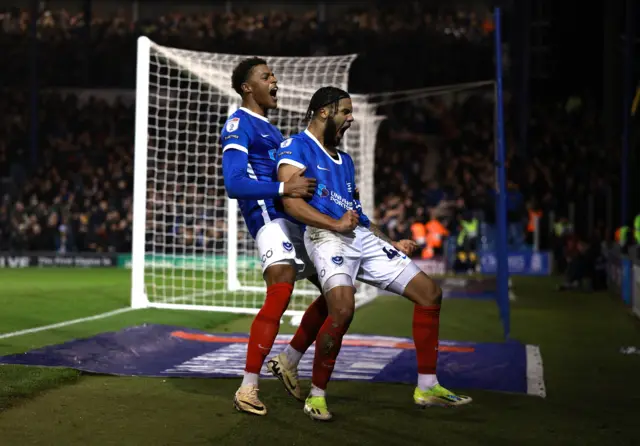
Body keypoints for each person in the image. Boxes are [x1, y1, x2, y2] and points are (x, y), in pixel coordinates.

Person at [272, 86, 472, 421]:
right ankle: (317, 395)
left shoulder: (345, 161)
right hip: (325, 236)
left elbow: (358, 215)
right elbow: (291, 203)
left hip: (358, 235)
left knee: (429, 293)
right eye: (345, 112)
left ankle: (427, 385)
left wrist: (390, 242)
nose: (351, 119)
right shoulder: (296, 147)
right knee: (342, 309)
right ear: (323, 111)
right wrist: (334, 224)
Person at [221, 57, 359, 416]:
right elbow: (234, 184)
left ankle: (289, 359)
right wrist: (285, 185)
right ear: (247, 88)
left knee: (335, 297)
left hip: (291, 217)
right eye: (266, 76)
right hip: (267, 215)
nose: (275, 80)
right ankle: (247, 387)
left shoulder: (271, 130)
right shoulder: (239, 123)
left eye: (274, 75)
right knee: (281, 286)